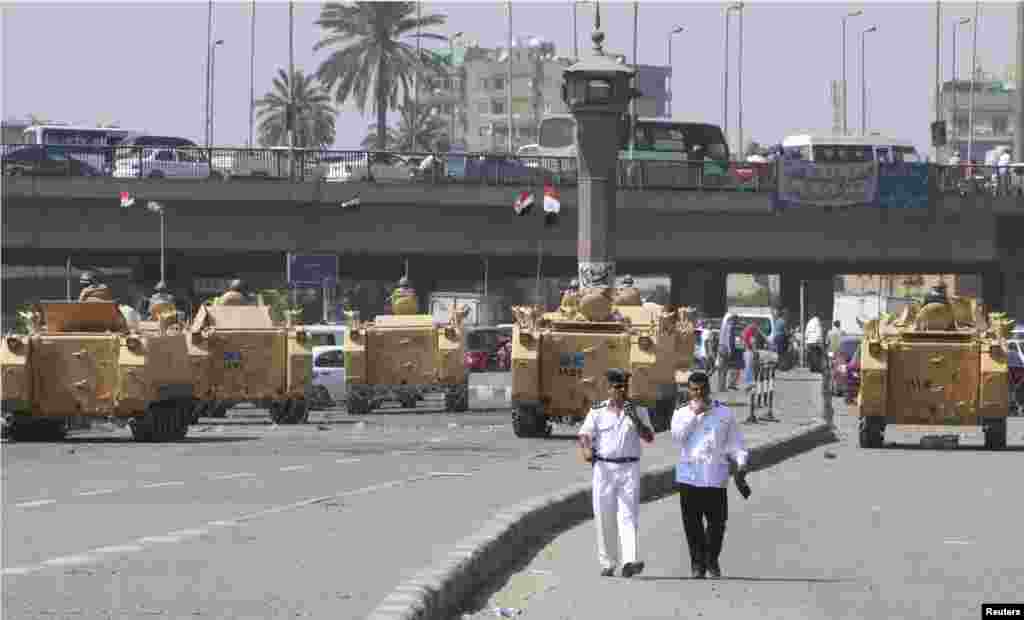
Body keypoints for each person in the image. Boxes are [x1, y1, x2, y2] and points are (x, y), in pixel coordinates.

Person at [577, 368, 656, 579]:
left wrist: (635, 420)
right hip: (603, 468)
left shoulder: (639, 410)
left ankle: (630, 560)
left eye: (624, 387)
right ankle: (608, 562)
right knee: (604, 515)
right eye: (617, 387)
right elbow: (585, 434)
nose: (621, 391)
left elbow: (649, 438)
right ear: (609, 388)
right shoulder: (598, 411)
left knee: (628, 515)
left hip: (629, 468)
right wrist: (586, 450)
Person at [671, 371, 749, 580]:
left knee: (717, 524)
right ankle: (697, 565)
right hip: (689, 476)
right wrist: (695, 416)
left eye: (702, 389)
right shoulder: (681, 413)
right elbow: (677, 438)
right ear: (689, 391)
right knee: (692, 525)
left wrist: (741, 465)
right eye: (694, 390)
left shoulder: (724, 413)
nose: (699, 394)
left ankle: (711, 559)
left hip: (715, 476)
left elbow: (736, 443)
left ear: (708, 389)